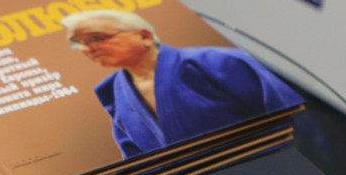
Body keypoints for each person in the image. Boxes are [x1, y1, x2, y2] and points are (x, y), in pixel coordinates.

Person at [60, 9, 304, 159]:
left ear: (144, 36)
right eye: (78, 43)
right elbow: (137, 162)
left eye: (96, 38)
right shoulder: (113, 93)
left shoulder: (216, 62)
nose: (87, 49)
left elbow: (291, 117)